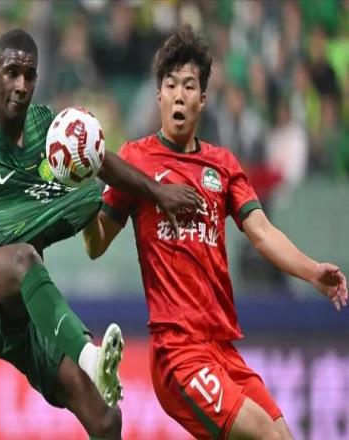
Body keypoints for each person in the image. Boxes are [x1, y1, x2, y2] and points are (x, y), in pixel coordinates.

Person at [0, 29, 202, 440]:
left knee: (106, 419)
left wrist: (156, 191)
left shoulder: (49, 127)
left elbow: (101, 160)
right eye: (12, 73)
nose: (21, 85)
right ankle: (90, 357)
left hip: (32, 316)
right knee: (23, 257)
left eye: (29, 75)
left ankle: (88, 357)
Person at [82, 25, 347, 440]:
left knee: (282, 436)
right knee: (264, 435)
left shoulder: (222, 165)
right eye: (171, 85)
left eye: (189, 86)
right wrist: (82, 196)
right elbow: (97, 244)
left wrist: (312, 271)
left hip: (222, 349)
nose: (179, 95)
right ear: (159, 95)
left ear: (202, 99)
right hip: (178, 352)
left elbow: (262, 233)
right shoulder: (136, 161)